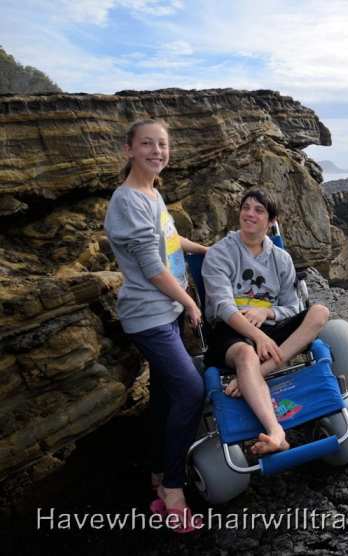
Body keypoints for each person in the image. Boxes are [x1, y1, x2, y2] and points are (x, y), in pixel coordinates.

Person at [104, 119, 207, 532]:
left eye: (162, 144)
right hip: (148, 316)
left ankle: (156, 473)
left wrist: (209, 249)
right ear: (129, 149)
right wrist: (188, 303)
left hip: (163, 311)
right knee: (191, 388)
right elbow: (149, 267)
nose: (156, 151)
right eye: (147, 144)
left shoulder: (152, 194)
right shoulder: (128, 200)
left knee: (165, 396)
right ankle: (173, 490)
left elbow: (170, 241)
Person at [202, 189, 330, 455]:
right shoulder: (220, 253)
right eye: (246, 207)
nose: (250, 214)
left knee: (319, 312)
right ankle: (276, 432)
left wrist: (267, 314)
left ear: (271, 221)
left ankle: (257, 374)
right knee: (246, 355)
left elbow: (293, 305)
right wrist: (257, 335)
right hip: (232, 328)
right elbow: (223, 307)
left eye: (259, 210)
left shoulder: (280, 259)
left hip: (270, 326)